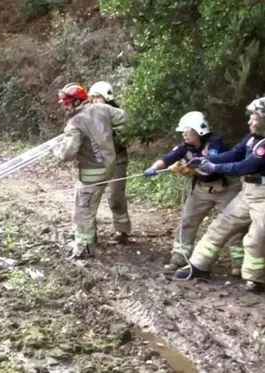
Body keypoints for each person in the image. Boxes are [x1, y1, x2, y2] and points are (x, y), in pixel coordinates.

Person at [174, 98, 265, 293]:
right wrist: (204, 160)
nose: (250, 121)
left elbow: (245, 166)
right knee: (221, 225)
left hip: (263, 197)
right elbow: (234, 154)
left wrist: (214, 166)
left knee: (257, 236)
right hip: (247, 191)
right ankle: (198, 265)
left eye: (255, 117)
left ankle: (255, 278)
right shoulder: (251, 138)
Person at [143, 111, 245, 275]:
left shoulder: (215, 143)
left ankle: (239, 264)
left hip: (226, 188)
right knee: (187, 220)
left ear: (199, 130)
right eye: (182, 131)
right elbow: (168, 157)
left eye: (187, 130)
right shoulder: (185, 147)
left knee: (235, 225)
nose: (183, 134)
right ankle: (179, 258)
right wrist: (154, 168)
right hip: (202, 189)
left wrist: (188, 168)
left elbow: (211, 167)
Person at [52, 82, 128, 259]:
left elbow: (66, 154)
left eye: (67, 102)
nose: (65, 106)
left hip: (92, 173)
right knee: (90, 205)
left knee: (83, 209)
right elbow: (124, 117)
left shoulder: (75, 123)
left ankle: (84, 249)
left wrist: (56, 148)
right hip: (109, 166)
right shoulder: (102, 108)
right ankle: (90, 237)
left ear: (77, 102)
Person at [88, 81, 131, 244]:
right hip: (96, 162)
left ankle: (122, 229)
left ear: (107, 97)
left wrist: (109, 134)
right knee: (90, 197)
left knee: (115, 196)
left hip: (117, 161)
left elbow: (124, 138)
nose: (94, 101)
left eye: (97, 97)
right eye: (92, 98)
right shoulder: (89, 115)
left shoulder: (118, 115)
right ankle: (89, 233)